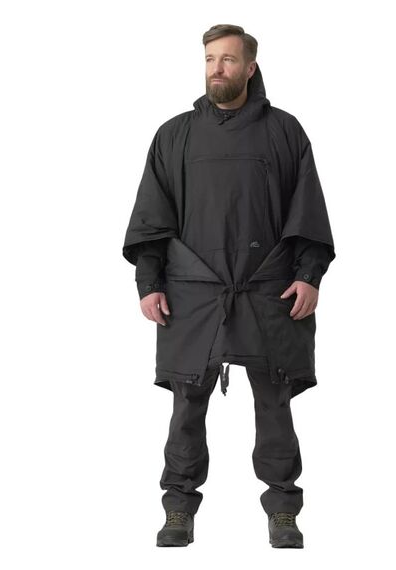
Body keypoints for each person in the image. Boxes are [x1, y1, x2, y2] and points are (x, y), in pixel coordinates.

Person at [122, 24, 336, 548]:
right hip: (192, 291)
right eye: (210, 59)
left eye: (228, 59)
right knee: (186, 405)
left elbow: (307, 209)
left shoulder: (285, 131)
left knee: (275, 403)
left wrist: (308, 276)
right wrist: (149, 283)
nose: (217, 68)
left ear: (250, 67)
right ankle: (178, 507)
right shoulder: (174, 135)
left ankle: (283, 509)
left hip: (269, 288)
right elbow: (153, 215)